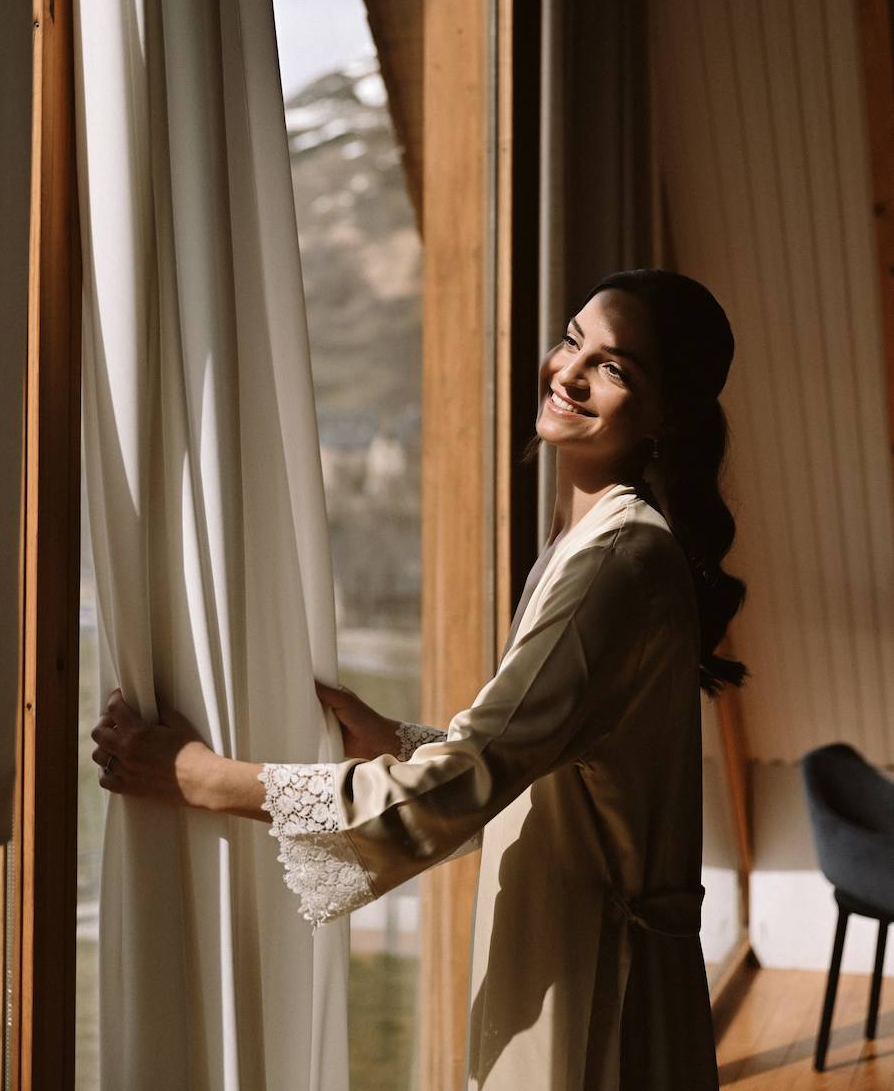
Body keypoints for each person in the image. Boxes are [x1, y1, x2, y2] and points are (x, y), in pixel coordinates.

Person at [91, 267, 748, 1091]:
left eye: (615, 369)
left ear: (668, 414)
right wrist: (398, 742)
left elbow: (468, 782)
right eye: (574, 339)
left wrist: (204, 777)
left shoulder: (619, 559)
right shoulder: (599, 540)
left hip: (597, 998)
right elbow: (562, 775)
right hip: (569, 954)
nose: (570, 373)